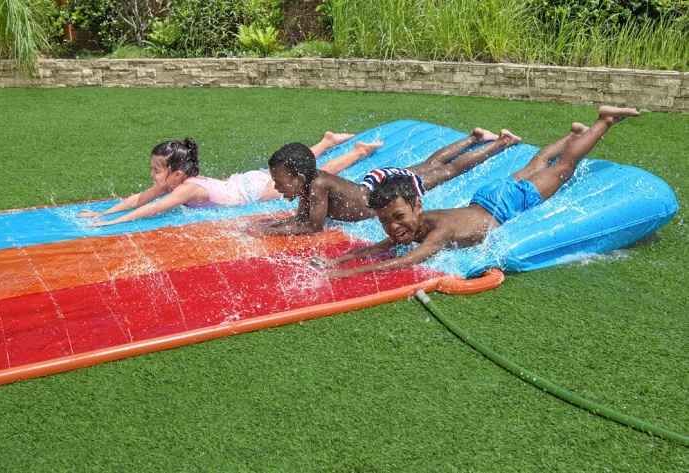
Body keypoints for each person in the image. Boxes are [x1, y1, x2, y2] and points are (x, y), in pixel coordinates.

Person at [318, 105, 640, 278]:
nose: (393, 227)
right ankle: (573, 135)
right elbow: (381, 246)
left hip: (505, 204)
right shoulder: (414, 224)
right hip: (488, 200)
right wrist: (341, 260)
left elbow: (404, 262)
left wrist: (347, 274)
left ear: (417, 205)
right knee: (537, 164)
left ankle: (604, 120)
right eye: (386, 221)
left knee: (561, 168)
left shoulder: (438, 232)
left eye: (398, 217)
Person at [78, 131, 380, 227]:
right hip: (245, 180)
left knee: (306, 175)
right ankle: (326, 141)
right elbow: (141, 198)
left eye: (157, 170)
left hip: (253, 192)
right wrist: (105, 213)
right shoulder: (185, 181)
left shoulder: (186, 189)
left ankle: (357, 152)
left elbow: (152, 207)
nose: (152, 176)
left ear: (177, 174)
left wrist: (115, 223)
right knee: (294, 165)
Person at [263, 127, 520, 236]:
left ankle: (501, 142)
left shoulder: (317, 186)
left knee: (446, 171)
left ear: (298, 178)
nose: (276, 187)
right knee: (431, 164)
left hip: (385, 190)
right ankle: (474, 137)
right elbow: (302, 218)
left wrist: (269, 231)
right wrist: (274, 225)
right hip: (376, 184)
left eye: (279, 182)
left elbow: (312, 226)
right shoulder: (310, 183)